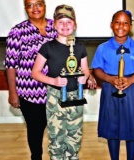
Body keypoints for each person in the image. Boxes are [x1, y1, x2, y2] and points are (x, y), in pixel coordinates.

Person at [31, 4, 96, 160]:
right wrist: (53, 80)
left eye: (69, 21)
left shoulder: (80, 48)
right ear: (54, 24)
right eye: (60, 21)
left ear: (75, 25)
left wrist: (85, 77)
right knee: (57, 139)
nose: (65, 25)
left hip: (76, 98)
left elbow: (85, 70)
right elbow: (35, 73)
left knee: (74, 138)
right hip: (56, 98)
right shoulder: (48, 47)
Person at [91, 10, 134, 160]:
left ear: (131, 26)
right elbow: (97, 69)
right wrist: (109, 79)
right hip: (110, 88)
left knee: (132, 128)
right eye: (117, 22)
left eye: (125, 23)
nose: (121, 26)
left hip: (132, 88)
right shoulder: (102, 48)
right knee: (112, 128)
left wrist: (131, 80)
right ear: (111, 24)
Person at [4, 0, 57, 159]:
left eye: (38, 3)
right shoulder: (17, 32)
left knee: (58, 130)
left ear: (45, 6)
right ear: (25, 8)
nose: (35, 8)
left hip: (56, 91)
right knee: (35, 130)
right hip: (29, 93)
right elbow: (10, 64)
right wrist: (13, 92)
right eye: (30, 5)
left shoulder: (57, 27)